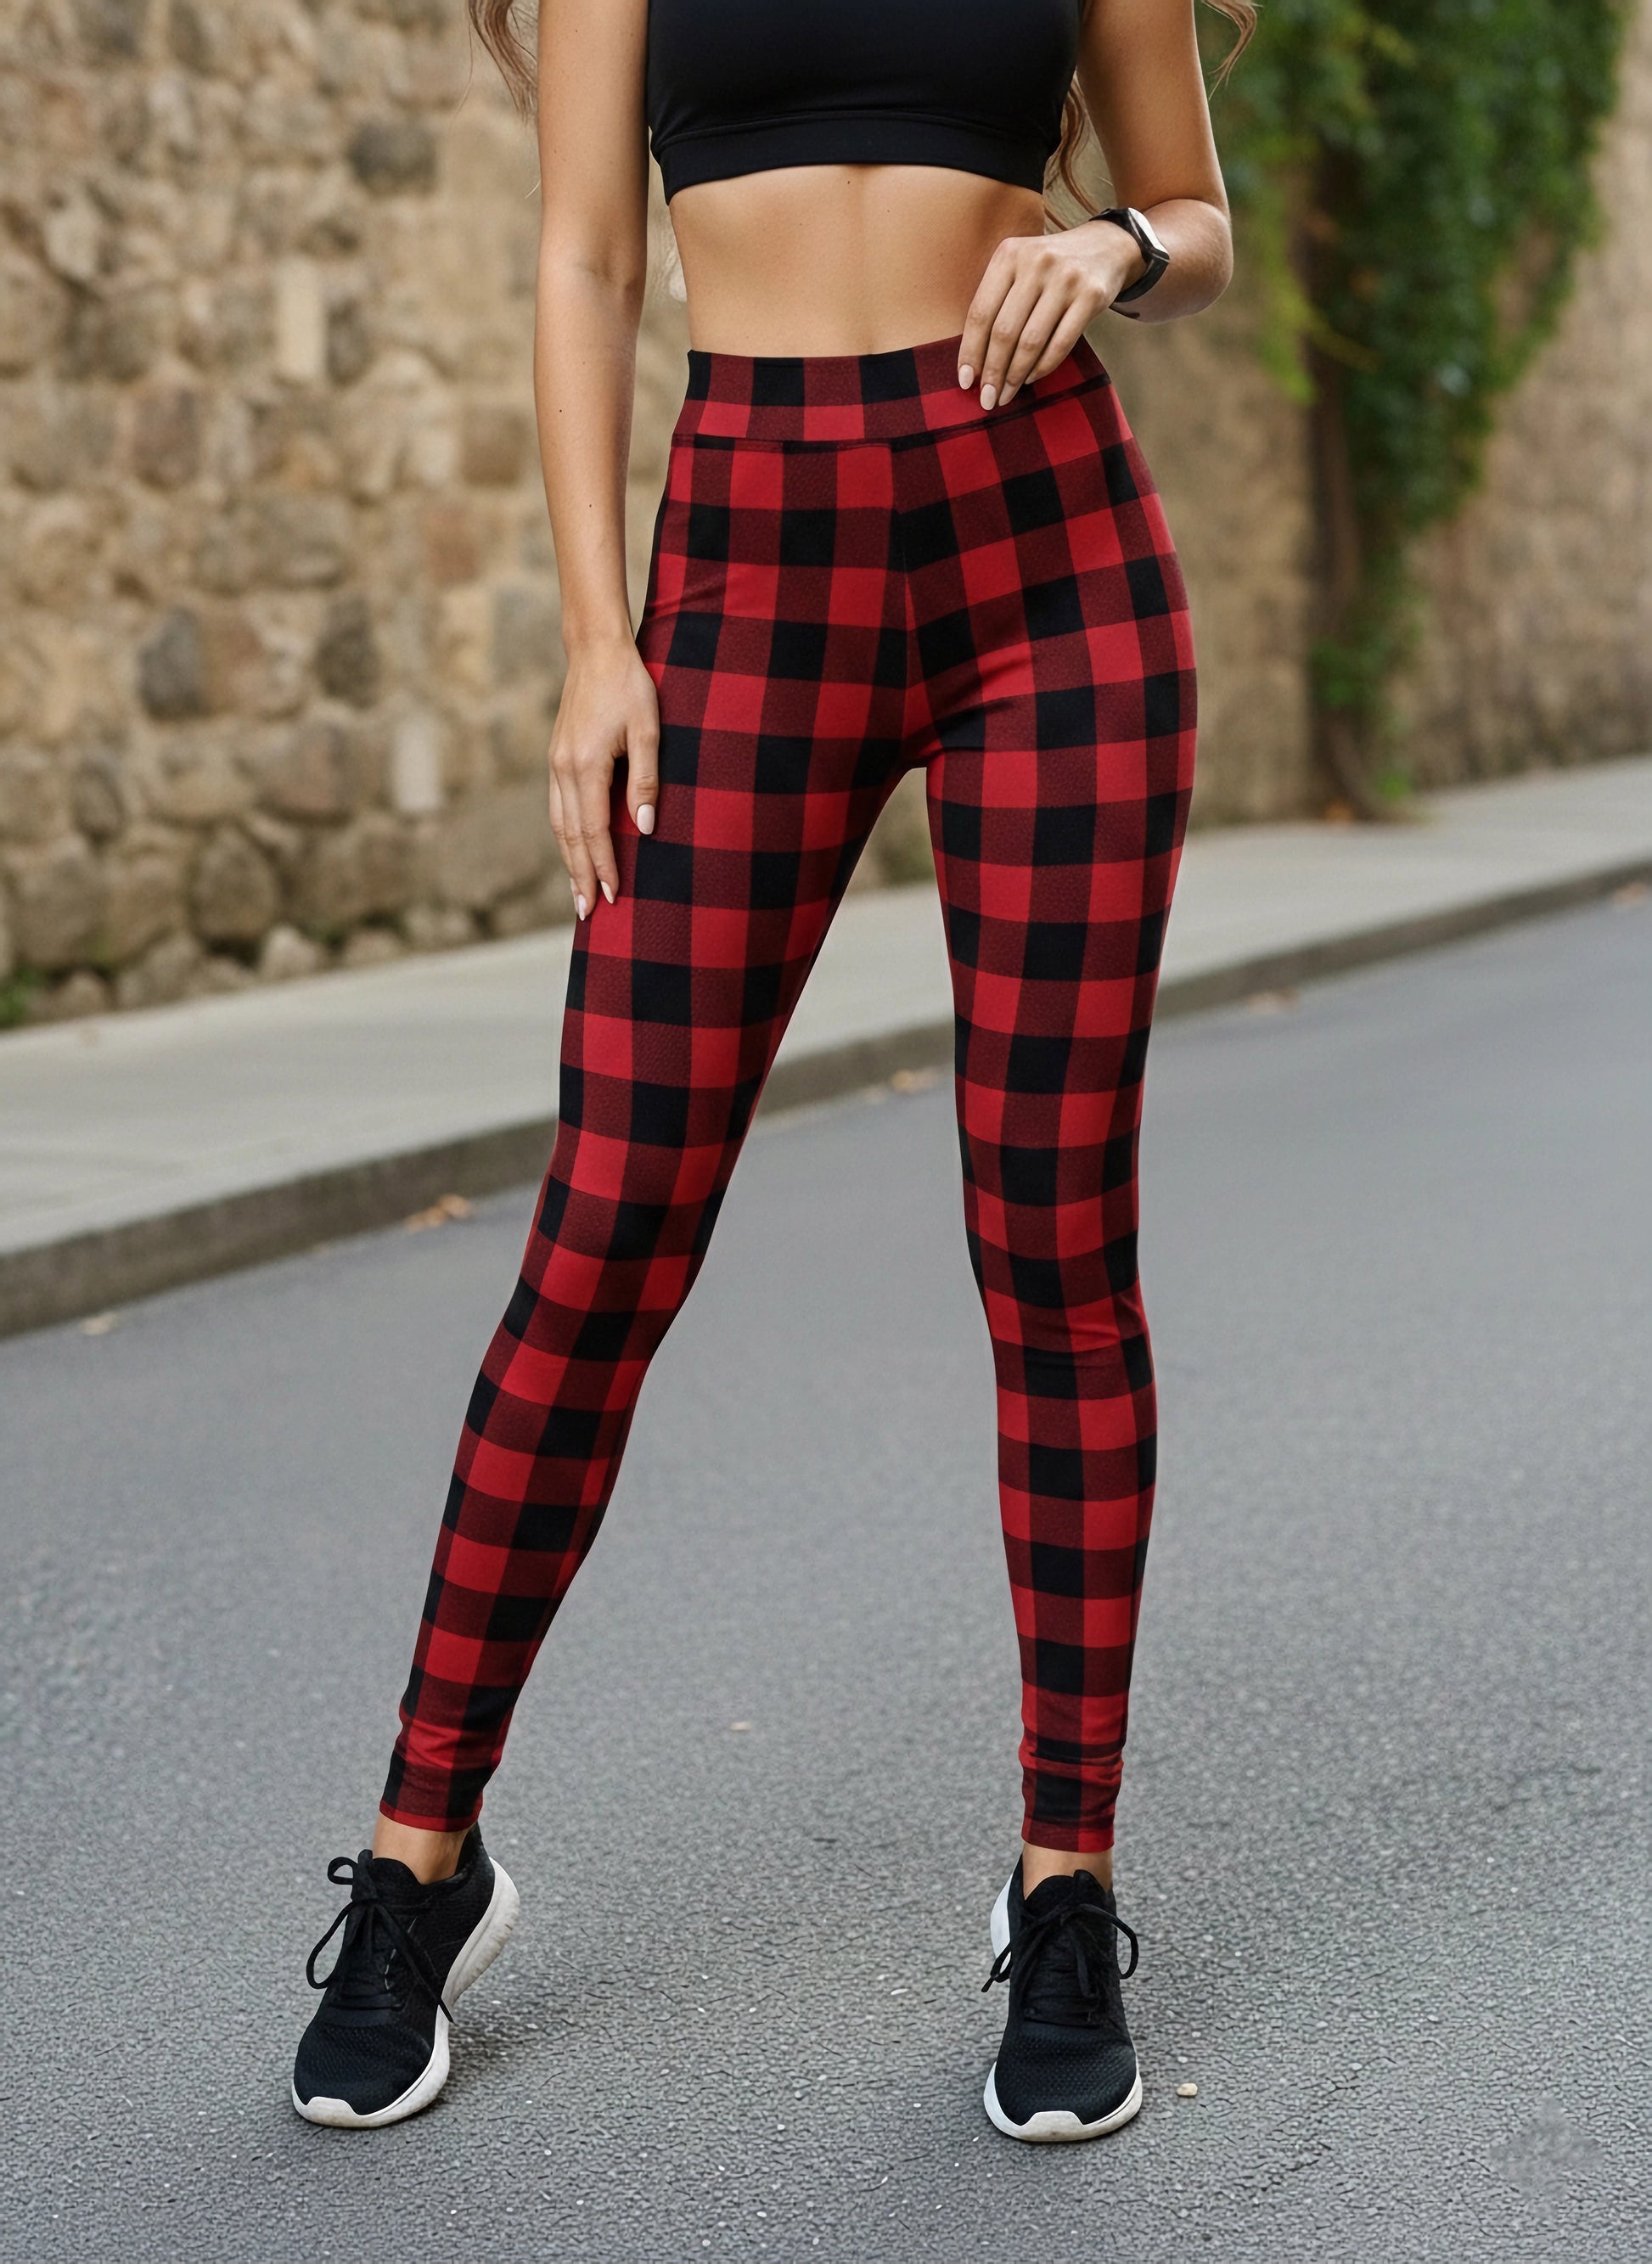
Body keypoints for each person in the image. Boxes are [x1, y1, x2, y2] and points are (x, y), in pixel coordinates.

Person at [292, 0, 1250, 2141]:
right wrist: (594, 641)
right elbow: (583, 257)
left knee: (1053, 1243)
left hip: (1053, 569)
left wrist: (1112, 251)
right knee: (604, 1232)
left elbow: (1198, 219)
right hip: (749, 563)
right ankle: (420, 1857)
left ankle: (1065, 1879)